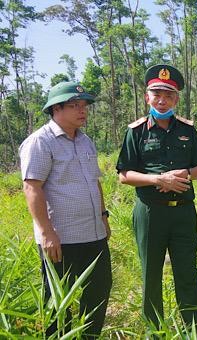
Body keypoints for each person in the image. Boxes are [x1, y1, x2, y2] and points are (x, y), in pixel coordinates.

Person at [116, 64, 197, 332]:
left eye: (168, 95)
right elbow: (124, 175)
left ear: (176, 99)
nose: (162, 99)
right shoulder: (136, 131)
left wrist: (186, 174)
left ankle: (194, 330)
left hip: (183, 213)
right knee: (151, 275)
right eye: (156, 94)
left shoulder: (187, 130)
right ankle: (155, 332)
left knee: (188, 273)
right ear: (147, 97)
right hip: (150, 212)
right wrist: (158, 179)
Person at [19, 81, 112, 338]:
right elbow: (32, 188)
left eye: (84, 106)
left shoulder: (85, 141)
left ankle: (88, 336)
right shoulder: (40, 142)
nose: (82, 111)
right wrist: (47, 232)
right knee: (58, 298)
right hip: (61, 238)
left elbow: (95, 182)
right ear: (55, 109)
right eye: (74, 105)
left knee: (99, 288)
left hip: (92, 233)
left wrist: (103, 216)